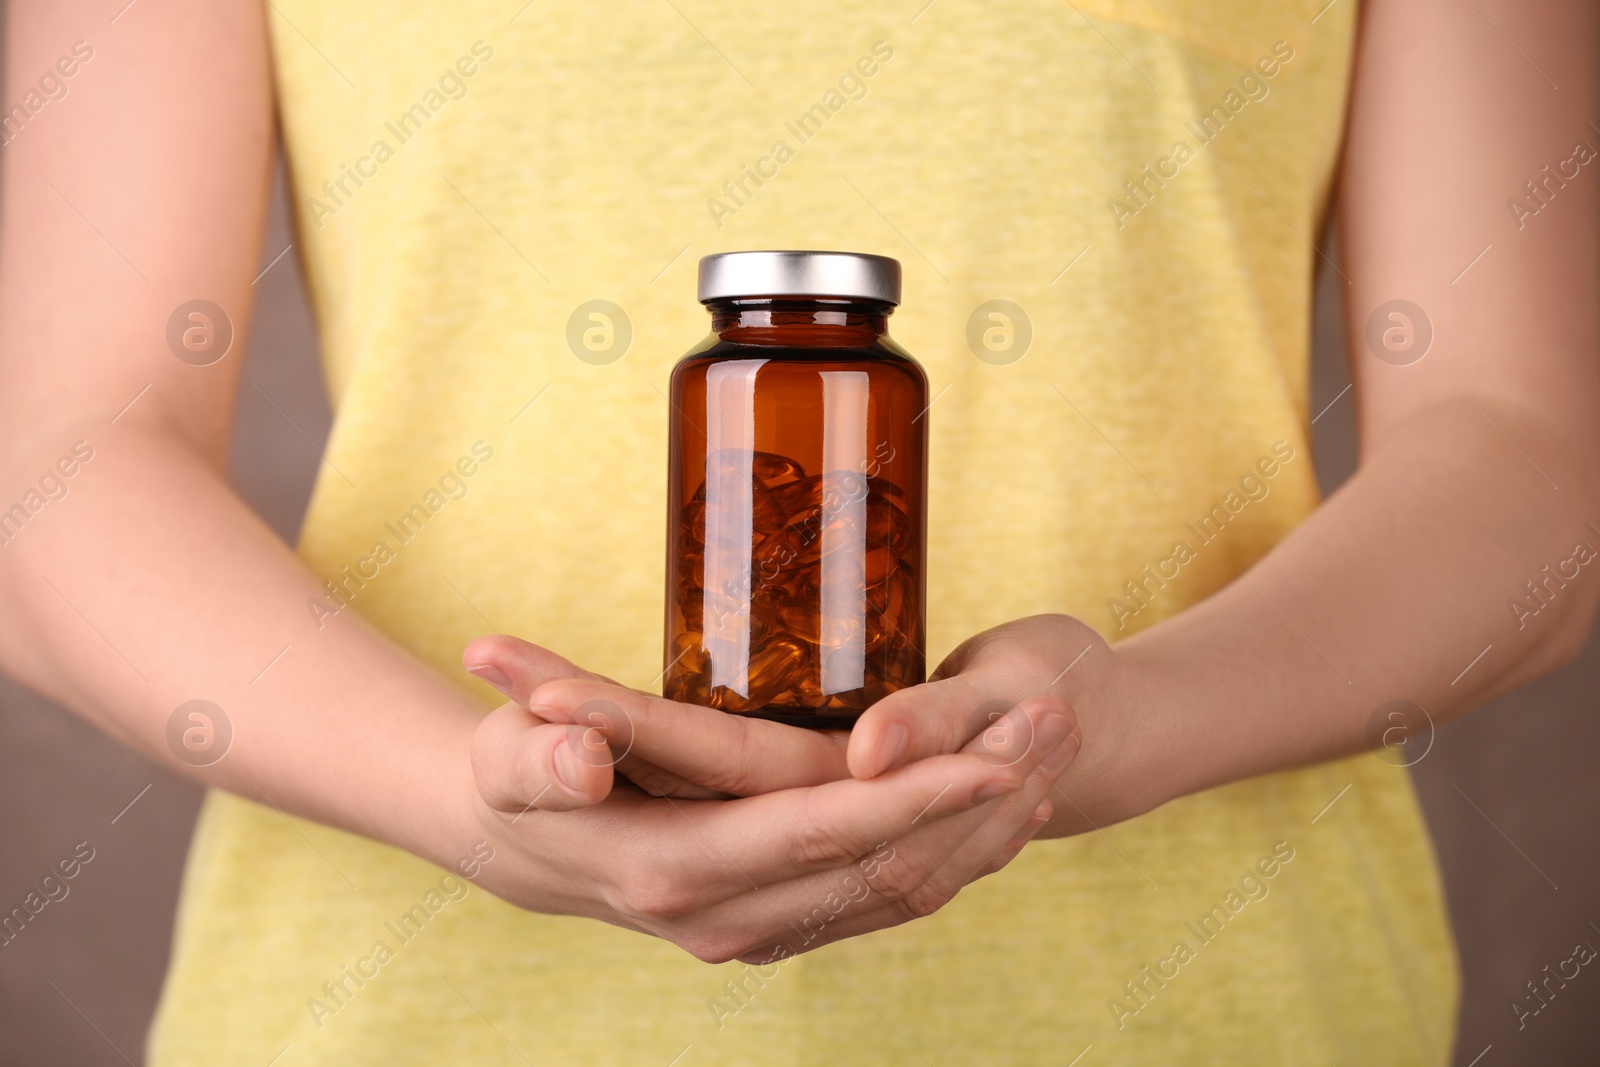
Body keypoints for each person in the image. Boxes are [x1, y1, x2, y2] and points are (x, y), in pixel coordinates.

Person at [1, 0, 1594, 1063]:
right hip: (399, 1013)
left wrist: (1113, 724)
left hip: (1216, 1014)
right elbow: (62, 472)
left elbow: (1521, 455)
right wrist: (468, 795)